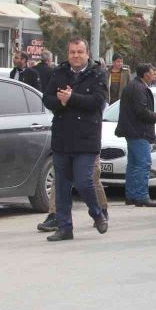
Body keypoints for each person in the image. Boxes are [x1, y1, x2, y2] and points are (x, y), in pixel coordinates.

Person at [41, 37, 108, 242]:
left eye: (80, 52)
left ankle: (97, 213)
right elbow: (48, 99)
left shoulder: (97, 74)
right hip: (62, 137)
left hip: (86, 139)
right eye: (72, 52)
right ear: (67, 54)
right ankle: (64, 227)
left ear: (87, 53)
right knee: (61, 185)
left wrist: (72, 99)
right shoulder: (60, 73)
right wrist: (61, 103)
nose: (76, 56)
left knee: (84, 181)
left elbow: (98, 102)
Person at [115, 63, 156, 208]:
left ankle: (132, 195)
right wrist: (155, 116)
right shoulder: (139, 88)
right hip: (139, 131)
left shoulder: (134, 86)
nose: (154, 75)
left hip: (133, 130)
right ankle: (142, 196)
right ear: (144, 74)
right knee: (143, 163)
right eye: (151, 72)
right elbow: (141, 110)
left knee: (134, 164)